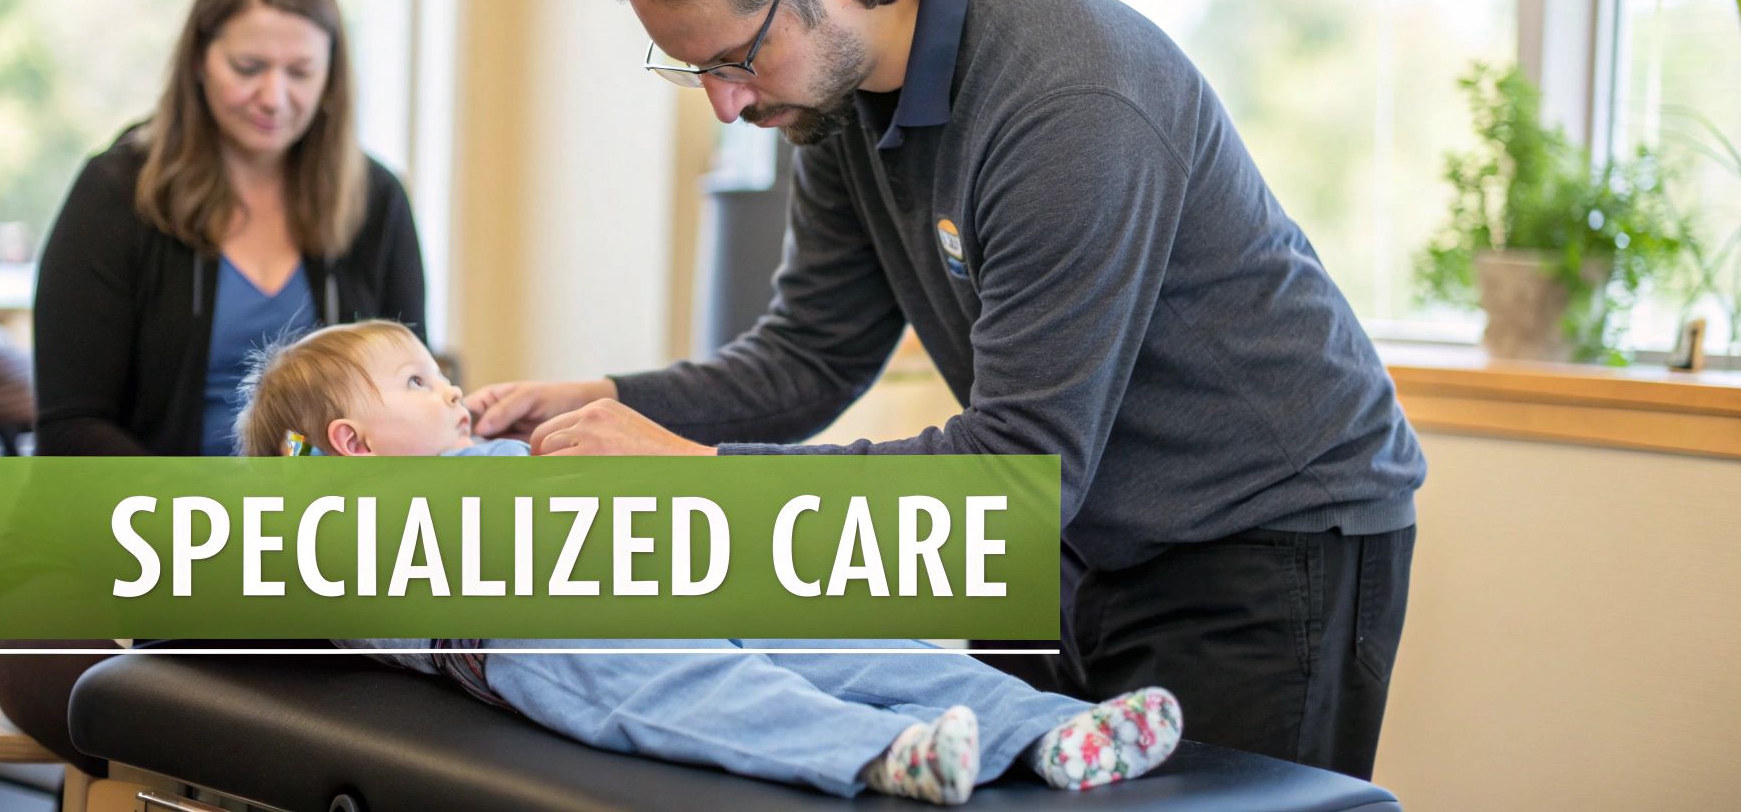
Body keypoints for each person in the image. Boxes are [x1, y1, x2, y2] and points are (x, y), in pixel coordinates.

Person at [465, 0, 1425, 780]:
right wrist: (612, 404)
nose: (727, 103)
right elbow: (810, 355)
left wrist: (696, 479)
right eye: (693, 69)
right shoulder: (828, 93)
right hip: (1065, 535)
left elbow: (1017, 479)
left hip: (1255, 537)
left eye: (735, 58)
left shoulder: (1065, 103)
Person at [232, 320, 1185, 803]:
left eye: (439, 374)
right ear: (352, 446)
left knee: (856, 639)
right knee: (703, 684)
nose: (450, 392)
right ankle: (879, 757)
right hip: (548, 625)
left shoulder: (497, 451)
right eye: (416, 383)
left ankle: (1050, 730)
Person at [0, 0, 427, 775]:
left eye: (302, 71)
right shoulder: (114, 196)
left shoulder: (376, 204)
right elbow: (73, 431)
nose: (276, 96)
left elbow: (413, 388)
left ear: (334, 74)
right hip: (112, 540)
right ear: (198, 60)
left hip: (309, 553)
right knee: (113, 697)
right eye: (249, 66)